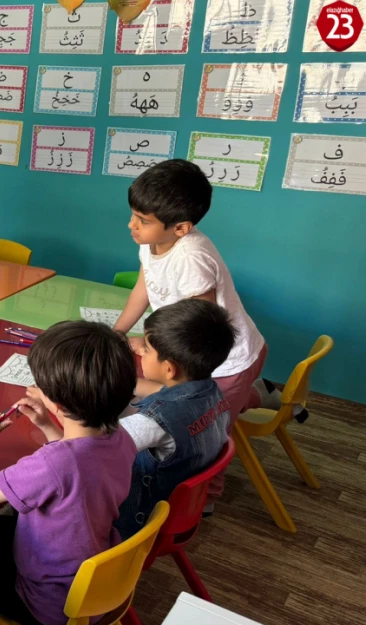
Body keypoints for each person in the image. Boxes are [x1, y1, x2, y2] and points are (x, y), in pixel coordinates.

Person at [0, 322, 138, 625]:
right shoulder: (122, 438)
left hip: (49, 606)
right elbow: (77, 471)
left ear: (58, 403)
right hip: (91, 580)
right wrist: (46, 425)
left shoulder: (53, 463)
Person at [113, 159, 266, 503]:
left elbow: (201, 325)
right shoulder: (152, 241)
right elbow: (143, 287)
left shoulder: (191, 257)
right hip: (197, 354)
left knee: (207, 428)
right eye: (133, 214)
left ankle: (205, 497)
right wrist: (118, 331)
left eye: (142, 220)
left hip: (223, 360)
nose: (131, 225)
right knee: (200, 403)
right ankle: (256, 394)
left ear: (180, 228)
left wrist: (153, 342)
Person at [116, 299, 236, 538]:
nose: (140, 351)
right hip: (178, 512)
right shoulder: (211, 392)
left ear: (169, 369)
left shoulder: (153, 423)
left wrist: (56, 409)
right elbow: (168, 396)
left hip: (137, 521)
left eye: (147, 349)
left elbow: (93, 446)